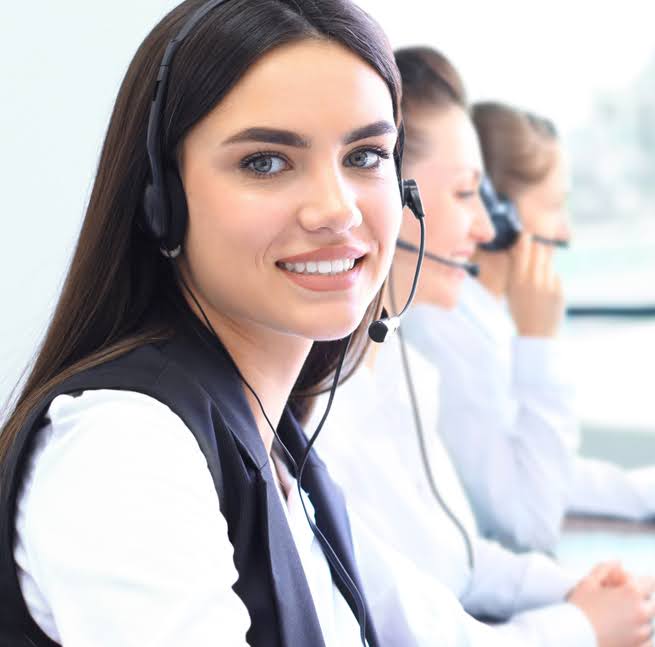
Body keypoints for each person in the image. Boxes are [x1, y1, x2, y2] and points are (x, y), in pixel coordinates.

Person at [0, 3, 554, 645]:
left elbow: (421, 628)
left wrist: (584, 626)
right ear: (163, 202)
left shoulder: (276, 435)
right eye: (266, 161)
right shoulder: (123, 450)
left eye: (367, 155)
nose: (337, 210)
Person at [307, 46, 655, 647]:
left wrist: (579, 587)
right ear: (395, 197)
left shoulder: (401, 366)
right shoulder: (326, 416)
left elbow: (460, 560)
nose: (486, 229)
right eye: (466, 194)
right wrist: (579, 625)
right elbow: (413, 634)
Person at [404, 100, 655, 553]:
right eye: (554, 206)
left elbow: (541, 470)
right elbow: (528, 523)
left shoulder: (481, 317)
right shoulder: (442, 331)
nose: (565, 234)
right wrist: (538, 342)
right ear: (501, 214)